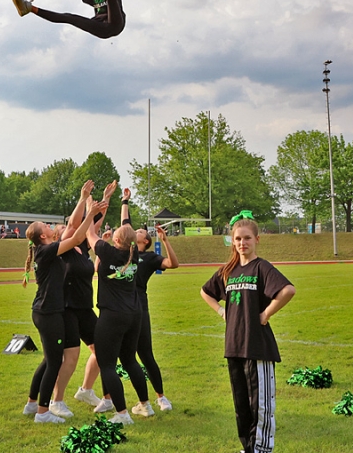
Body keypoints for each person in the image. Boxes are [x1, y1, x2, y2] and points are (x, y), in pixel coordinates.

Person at [200, 214, 296, 453]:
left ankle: (262, 449)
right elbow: (205, 292)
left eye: (247, 238)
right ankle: (248, 447)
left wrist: (266, 314)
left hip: (257, 345)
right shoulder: (227, 271)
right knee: (241, 404)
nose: (242, 243)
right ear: (232, 241)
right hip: (234, 345)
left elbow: (287, 290)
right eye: (238, 239)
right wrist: (222, 311)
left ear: (257, 240)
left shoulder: (261, 267)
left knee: (259, 404)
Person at [23, 191, 108, 424]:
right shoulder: (48, 250)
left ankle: (33, 404)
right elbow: (75, 232)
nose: (51, 226)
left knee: (51, 360)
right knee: (54, 362)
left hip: (49, 311)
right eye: (46, 225)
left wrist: (88, 205)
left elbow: (78, 232)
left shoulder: (49, 250)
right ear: (43, 235)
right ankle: (44, 411)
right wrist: (87, 208)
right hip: (48, 312)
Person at [50, 180, 117, 418]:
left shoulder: (84, 250)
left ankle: (86, 390)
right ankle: (56, 401)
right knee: (71, 357)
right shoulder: (64, 248)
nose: (79, 227)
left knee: (103, 350)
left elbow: (94, 223)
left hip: (85, 309)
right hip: (67, 309)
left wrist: (106, 198)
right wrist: (84, 199)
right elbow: (74, 226)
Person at [85, 199, 154, 426]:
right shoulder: (134, 254)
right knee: (130, 360)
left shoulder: (107, 251)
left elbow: (88, 232)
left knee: (106, 365)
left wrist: (91, 209)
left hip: (112, 316)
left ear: (115, 240)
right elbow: (126, 230)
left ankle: (122, 414)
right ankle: (145, 404)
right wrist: (123, 203)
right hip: (134, 315)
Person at [122, 188, 180, 411]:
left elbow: (173, 264)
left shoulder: (150, 257)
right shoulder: (126, 252)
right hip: (121, 308)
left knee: (146, 354)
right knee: (120, 356)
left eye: (139, 231)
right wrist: (125, 200)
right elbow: (125, 222)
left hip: (139, 308)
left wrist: (165, 241)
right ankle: (113, 398)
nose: (135, 231)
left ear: (145, 240)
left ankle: (161, 397)